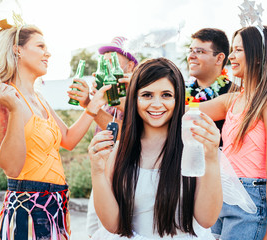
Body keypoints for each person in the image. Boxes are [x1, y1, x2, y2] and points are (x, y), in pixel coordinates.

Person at [0, 18, 98, 239]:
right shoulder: (2, 101)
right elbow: (12, 168)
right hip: (27, 211)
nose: (48, 53)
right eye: (40, 46)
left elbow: (68, 139)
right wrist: (16, 111)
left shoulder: (40, 99)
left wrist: (94, 105)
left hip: (56, 205)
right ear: (18, 50)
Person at [88, 58, 223, 239]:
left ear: (178, 98)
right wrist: (97, 171)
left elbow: (207, 219)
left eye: (166, 95)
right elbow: (113, 225)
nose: (157, 104)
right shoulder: (119, 151)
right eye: (147, 95)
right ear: (134, 99)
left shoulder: (195, 146)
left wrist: (212, 156)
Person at [200, 26, 267, 239]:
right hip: (221, 194)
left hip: (251, 199)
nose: (231, 56)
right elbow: (181, 113)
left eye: (238, 50)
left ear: (258, 56)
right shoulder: (232, 100)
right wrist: (137, 93)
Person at [83, 36, 138, 237]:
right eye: (103, 58)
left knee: (115, 229)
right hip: (102, 171)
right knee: (93, 230)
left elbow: (126, 131)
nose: (105, 62)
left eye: (112, 58)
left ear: (130, 64)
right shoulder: (108, 92)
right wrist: (90, 101)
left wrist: (94, 102)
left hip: (124, 174)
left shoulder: (139, 93)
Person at [186, 28, 233, 147]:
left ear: (219, 58)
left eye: (199, 51)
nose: (191, 56)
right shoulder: (177, 91)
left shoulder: (235, 93)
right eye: (190, 50)